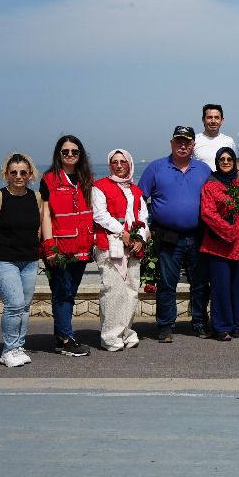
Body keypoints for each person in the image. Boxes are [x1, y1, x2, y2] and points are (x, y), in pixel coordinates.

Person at [139, 126, 213, 341]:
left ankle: (199, 322)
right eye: (179, 141)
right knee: (167, 283)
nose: (183, 146)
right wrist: (143, 228)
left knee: (200, 283)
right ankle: (165, 326)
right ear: (171, 143)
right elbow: (139, 200)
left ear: (193, 146)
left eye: (187, 142)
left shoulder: (203, 169)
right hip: (167, 235)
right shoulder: (156, 168)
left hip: (198, 234)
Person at [0, 152, 52, 367]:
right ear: (6, 174)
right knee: (14, 305)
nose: (18, 176)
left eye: (23, 172)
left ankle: (19, 346)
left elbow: (37, 227)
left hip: (29, 260)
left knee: (25, 306)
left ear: (30, 174)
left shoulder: (36, 197)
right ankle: (9, 350)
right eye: (14, 172)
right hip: (3, 260)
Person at [39, 134, 95, 357]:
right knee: (62, 293)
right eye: (65, 152)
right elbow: (45, 214)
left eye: (74, 151)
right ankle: (65, 340)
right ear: (59, 155)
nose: (70, 155)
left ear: (80, 154)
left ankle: (60, 338)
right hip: (59, 248)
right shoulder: (50, 179)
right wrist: (49, 246)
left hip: (82, 246)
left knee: (69, 293)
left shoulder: (87, 178)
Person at [91, 148, 149, 353]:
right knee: (113, 291)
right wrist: (122, 231)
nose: (119, 165)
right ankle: (110, 336)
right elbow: (100, 214)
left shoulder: (135, 190)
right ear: (110, 165)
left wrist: (140, 238)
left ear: (129, 164)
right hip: (110, 245)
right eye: (115, 162)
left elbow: (143, 216)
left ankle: (126, 331)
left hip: (132, 246)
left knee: (131, 291)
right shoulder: (100, 187)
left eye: (123, 162)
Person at [198, 147, 239, 341]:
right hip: (220, 245)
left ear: (234, 162)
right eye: (222, 159)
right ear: (217, 162)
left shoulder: (237, 184)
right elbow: (208, 213)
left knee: (238, 287)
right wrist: (230, 232)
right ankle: (221, 326)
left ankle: (237, 325)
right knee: (221, 288)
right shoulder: (210, 186)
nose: (225, 162)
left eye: (229, 159)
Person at [193, 103, 234, 171]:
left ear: (222, 120)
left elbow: (233, 165)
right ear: (203, 119)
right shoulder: (194, 140)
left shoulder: (229, 141)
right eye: (209, 117)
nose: (213, 121)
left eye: (217, 118)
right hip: (201, 181)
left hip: (223, 181)